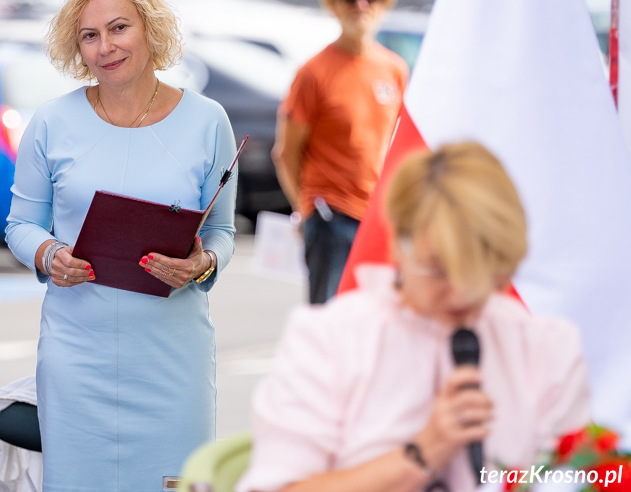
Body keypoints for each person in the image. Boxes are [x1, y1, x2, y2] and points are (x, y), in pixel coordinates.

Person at [237, 142, 591, 492]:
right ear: (398, 247)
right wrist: (423, 453)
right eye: (438, 270)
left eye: (483, 272)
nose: (462, 293)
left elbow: (583, 478)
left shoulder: (544, 347)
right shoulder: (330, 340)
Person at [5, 0, 238, 492]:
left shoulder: (208, 121)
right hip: (76, 359)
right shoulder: (50, 123)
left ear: (149, 27)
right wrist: (48, 254)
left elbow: (222, 231)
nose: (105, 46)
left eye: (118, 27)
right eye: (89, 35)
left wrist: (203, 263)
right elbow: (21, 224)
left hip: (172, 365)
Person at [272, 0, 409, 304]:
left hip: (380, 218)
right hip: (332, 217)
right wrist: (306, 209)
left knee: (379, 325)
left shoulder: (394, 70)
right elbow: (286, 152)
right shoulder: (314, 73)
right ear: (334, 6)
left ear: (381, 6)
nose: (361, 5)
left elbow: (399, 146)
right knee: (328, 326)